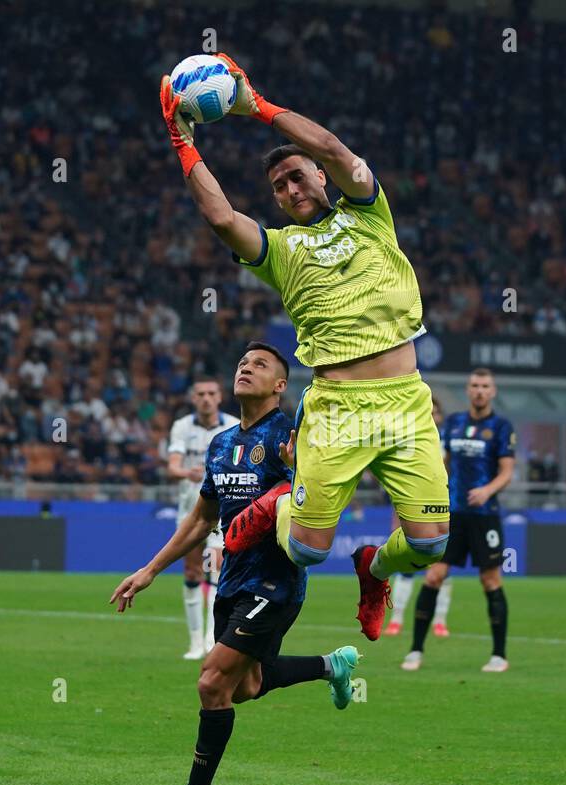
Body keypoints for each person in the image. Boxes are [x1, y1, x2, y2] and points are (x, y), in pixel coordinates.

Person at [159, 54, 449, 642]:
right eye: (279, 187)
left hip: (405, 403)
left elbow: (336, 148)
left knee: (429, 543)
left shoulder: (370, 215)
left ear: (320, 177)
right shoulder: (281, 251)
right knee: (306, 551)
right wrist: (182, 141)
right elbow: (219, 217)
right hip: (337, 409)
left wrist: (257, 106)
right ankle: (276, 506)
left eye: (298, 176)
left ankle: (374, 567)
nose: (291, 189)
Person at [109, 342, 360, 785]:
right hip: (232, 581)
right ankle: (331, 666)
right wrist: (149, 570)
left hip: (277, 583)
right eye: (242, 362)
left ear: (281, 385)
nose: (246, 368)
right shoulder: (221, 442)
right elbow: (202, 517)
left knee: (211, 681)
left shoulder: (294, 433)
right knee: (245, 687)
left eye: (260, 365)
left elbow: (330, 488)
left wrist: (301, 467)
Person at [402, 369, 516, 673]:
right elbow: (442, 464)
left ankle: (499, 655)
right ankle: (415, 651)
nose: (479, 391)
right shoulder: (453, 423)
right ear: (468, 390)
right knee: (433, 576)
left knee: (490, 580)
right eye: (475, 386)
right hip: (451, 514)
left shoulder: (502, 427)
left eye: (485, 386)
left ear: (493, 392)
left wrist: (487, 490)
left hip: (485, 515)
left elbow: (506, 471)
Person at [166, 377, 239, 659]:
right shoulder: (182, 427)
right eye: (201, 394)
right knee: (192, 572)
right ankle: (195, 642)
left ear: (219, 397)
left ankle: (211, 639)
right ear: (193, 398)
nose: (206, 398)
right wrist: (188, 473)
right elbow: (173, 467)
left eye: (211, 393)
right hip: (190, 512)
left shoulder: (233, 424)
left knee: (217, 572)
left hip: (223, 511)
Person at [385, 396, 453, 636]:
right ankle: (397, 619)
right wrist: (396, 518)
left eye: (436, 413)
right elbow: (400, 485)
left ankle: (440, 621)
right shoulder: (410, 444)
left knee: (441, 572)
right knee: (406, 569)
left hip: (440, 512)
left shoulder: (447, 444)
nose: (432, 417)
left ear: (441, 417)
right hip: (413, 511)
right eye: (429, 412)